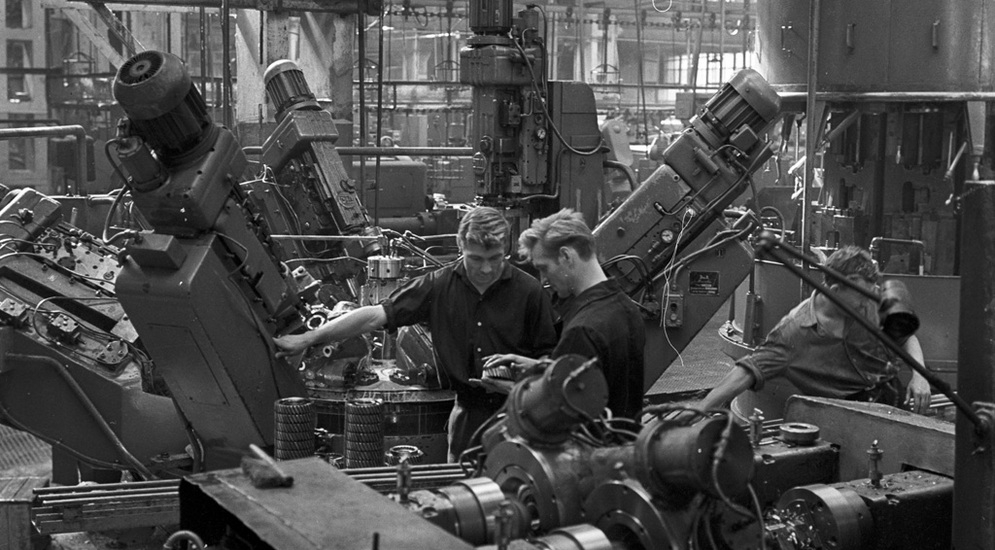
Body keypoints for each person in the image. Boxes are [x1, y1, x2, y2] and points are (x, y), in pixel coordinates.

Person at [273, 206, 558, 460]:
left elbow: (550, 359)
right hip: (467, 416)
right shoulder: (439, 285)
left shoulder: (529, 292)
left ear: (506, 250)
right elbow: (373, 316)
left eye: (495, 258)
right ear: (460, 247)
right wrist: (306, 339)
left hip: (520, 413)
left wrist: (522, 385)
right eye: (475, 259)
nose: (486, 268)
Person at [696, 245, 932, 415]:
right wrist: (702, 408)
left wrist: (920, 377)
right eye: (861, 295)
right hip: (844, 414)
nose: (868, 301)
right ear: (835, 290)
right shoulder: (794, 332)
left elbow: (906, 337)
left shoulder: (871, 302)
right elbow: (748, 370)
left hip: (890, 398)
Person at [483, 208, 646, 420]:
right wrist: (542, 367)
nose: (543, 279)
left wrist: (512, 389)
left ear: (566, 256)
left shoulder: (583, 329)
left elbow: (557, 407)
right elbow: (598, 376)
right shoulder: (625, 307)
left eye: (544, 268)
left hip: (590, 447)